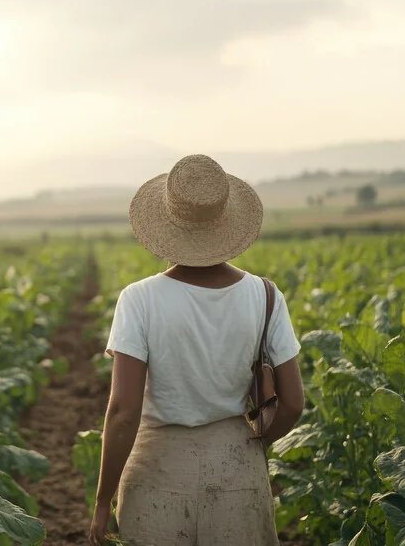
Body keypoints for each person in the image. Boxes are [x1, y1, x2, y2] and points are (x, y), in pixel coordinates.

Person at [88, 154, 305, 546]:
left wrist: (103, 500)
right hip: (238, 466)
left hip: (158, 469)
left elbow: (123, 412)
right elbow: (292, 404)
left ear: (167, 224)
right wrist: (250, 446)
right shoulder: (266, 295)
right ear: (226, 223)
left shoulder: (138, 299)